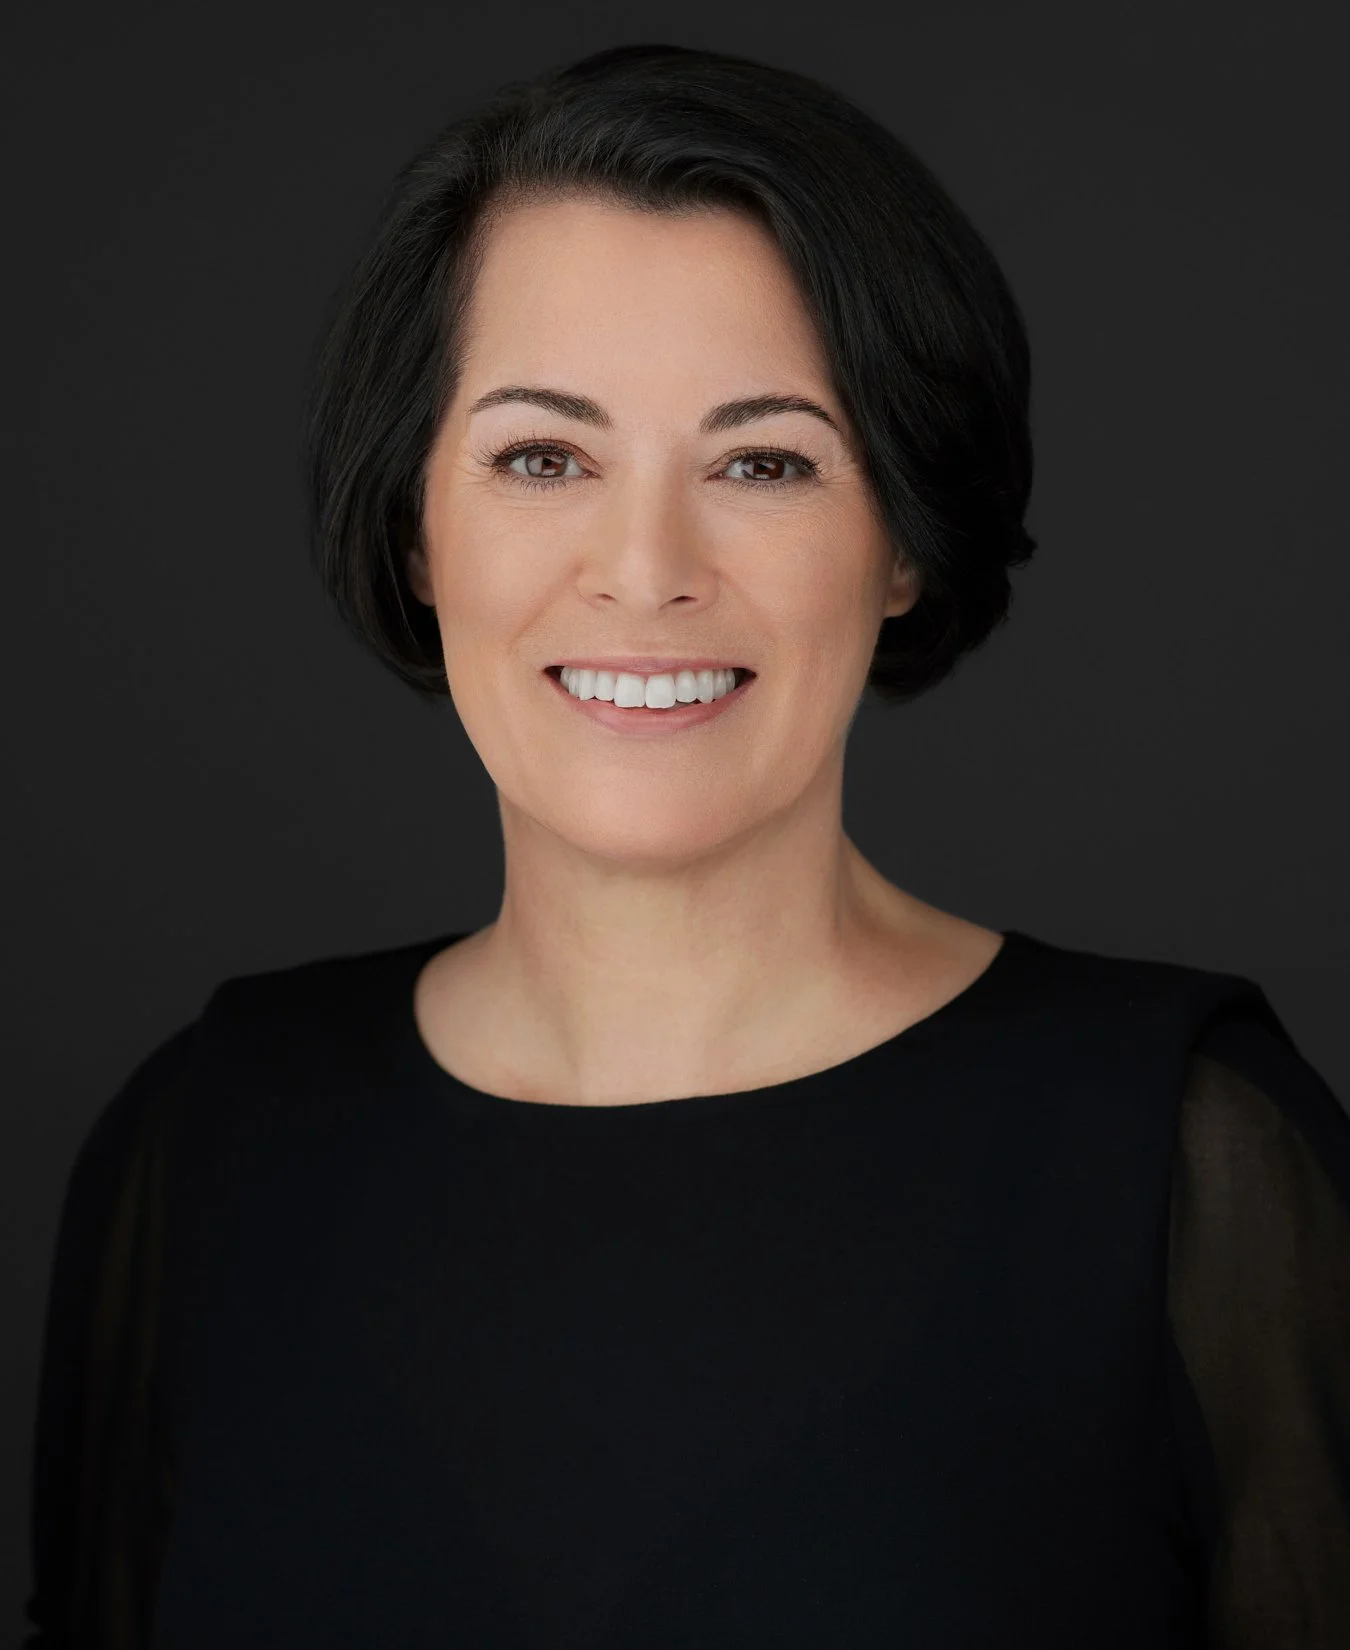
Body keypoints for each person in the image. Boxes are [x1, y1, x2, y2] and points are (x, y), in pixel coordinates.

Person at [24, 41, 1350, 1649]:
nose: (644, 567)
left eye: (762, 462)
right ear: (413, 526)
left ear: (902, 548)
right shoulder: (202, 1139)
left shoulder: (1187, 1156)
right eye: (541, 456)